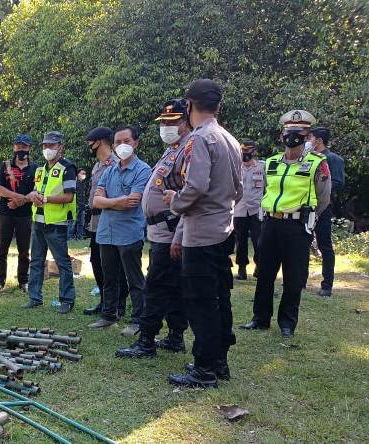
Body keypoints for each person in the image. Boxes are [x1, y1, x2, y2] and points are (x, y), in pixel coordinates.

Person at [165, 79, 241, 388]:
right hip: (223, 228)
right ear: (218, 106)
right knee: (220, 297)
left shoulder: (199, 139)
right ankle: (219, 361)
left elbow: (195, 186)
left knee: (200, 301)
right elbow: (238, 189)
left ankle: (204, 369)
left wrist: (175, 202)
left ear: (189, 105)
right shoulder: (229, 139)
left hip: (201, 232)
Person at [241, 110, 331, 338]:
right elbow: (264, 191)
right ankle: (260, 318)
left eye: (298, 132)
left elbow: (324, 198)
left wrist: (307, 217)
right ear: (282, 135)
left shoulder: (317, 163)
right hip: (270, 223)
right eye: (288, 131)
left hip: (297, 227)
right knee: (264, 273)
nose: (293, 136)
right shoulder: (271, 163)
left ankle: (287, 323)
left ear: (307, 135)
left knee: (293, 276)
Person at [115, 99, 191, 358]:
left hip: (171, 230)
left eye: (173, 122)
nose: (166, 127)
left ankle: (146, 340)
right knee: (172, 285)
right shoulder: (172, 150)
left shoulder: (188, 150)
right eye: (164, 122)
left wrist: (179, 234)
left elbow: (190, 195)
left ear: (186, 122)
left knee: (156, 285)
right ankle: (175, 336)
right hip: (160, 230)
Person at [89, 125, 151, 336]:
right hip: (106, 232)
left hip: (129, 233)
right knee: (109, 278)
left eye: (127, 141)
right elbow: (96, 201)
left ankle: (138, 320)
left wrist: (108, 202)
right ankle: (108, 316)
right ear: (113, 145)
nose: (122, 145)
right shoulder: (109, 170)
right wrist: (118, 201)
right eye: (118, 142)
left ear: (136, 143)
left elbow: (132, 202)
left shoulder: (143, 170)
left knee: (134, 280)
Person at [22, 131, 77, 314]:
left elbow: (69, 196)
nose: (47, 148)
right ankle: (34, 297)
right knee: (36, 261)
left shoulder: (68, 168)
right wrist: (32, 196)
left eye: (51, 145)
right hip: (37, 221)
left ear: (60, 147)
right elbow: (35, 191)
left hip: (56, 222)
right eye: (45, 145)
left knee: (62, 263)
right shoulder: (40, 169)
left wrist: (44, 199)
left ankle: (67, 300)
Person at [82, 127, 127, 316]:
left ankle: (119, 304)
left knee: (114, 265)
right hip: (95, 221)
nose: (89, 146)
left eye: (90, 142)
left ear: (99, 142)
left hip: (109, 219)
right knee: (96, 261)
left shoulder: (115, 164)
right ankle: (104, 300)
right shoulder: (98, 165)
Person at [0, 134, 38, 293]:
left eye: (24, 147)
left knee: (24, 250)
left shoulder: (36, 168)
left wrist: (19, 201)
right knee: (2, 249)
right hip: (6, 212)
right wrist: (17, 196)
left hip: (25, 214)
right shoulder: (5, 166)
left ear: (29, 148)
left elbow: (37, 191)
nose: (21, 149)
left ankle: (23, 281)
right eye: (18, 146)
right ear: (14, 147)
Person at [308, 127, 344, 297]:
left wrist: (320, 187)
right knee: (302, 243)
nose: (308, 141)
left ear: (319, 141)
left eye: (310, 138)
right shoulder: (307, 158)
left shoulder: (333, 159)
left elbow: (338, 182)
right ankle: (299, 280)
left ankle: (327, 285)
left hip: (324, 207)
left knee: (325, 246)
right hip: (306, 207)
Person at [233, 140, 265, 280]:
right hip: (239, 209)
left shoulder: (262, 167)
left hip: (256, 209)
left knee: (259, 240)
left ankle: (259, 266)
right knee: (240, 241)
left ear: (254, 152)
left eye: (248, 151)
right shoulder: (235, 166)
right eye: (243, 151)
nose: (245, 154)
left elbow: (268, 187)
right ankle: (241, 268)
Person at [67, 168, 87, 240]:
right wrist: (76, 204)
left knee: (81, 223)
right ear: (78, 174)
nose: (84, 175)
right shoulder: (74, 183)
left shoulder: (83, 184)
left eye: (84, 174)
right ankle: (69, 237)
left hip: (82, 206)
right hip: (75, 206)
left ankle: (80, 237)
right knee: (72, 223)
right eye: (82, 173)